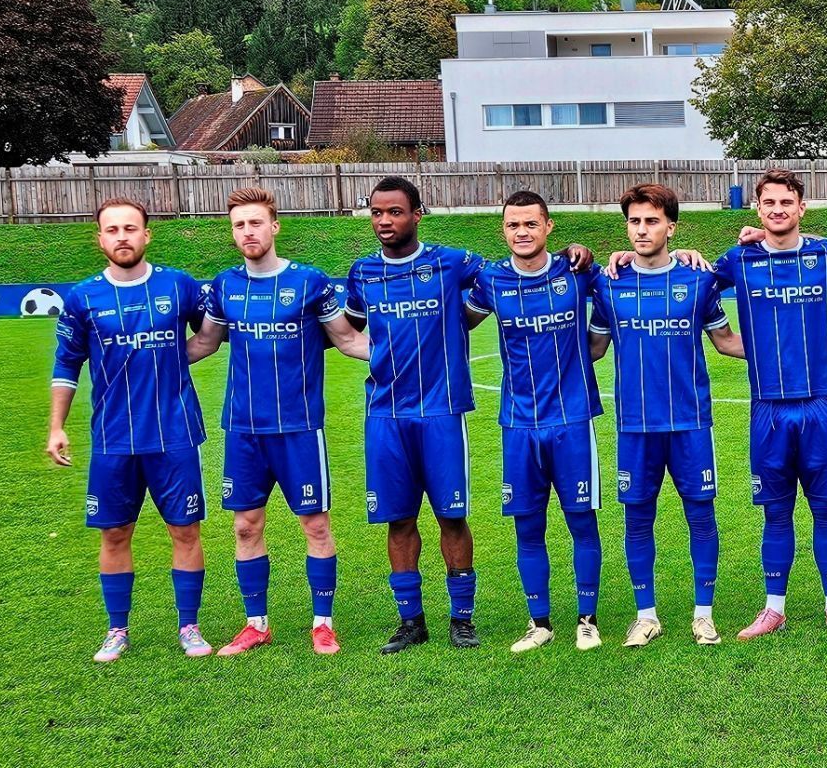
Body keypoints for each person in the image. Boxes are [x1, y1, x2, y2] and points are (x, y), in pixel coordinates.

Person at [344, 177, 596, 654]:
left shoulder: (454, 263)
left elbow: (518, 273)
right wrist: (372, 354)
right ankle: (410, 621)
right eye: (376, 212)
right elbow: (345, 329)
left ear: (418, 213)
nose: (384, 221)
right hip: (385, 412)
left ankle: (462, 618)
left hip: (442, 409)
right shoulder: (361, 273)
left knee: (450, 516)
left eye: (394, 212)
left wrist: (573, 249)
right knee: (398, 520)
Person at [189, 187, 371, 657]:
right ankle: (256, 624)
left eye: (255, 222)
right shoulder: (225, 285)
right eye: (238, 225)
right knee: (246, 527)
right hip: (244, 430)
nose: (247, 231)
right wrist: (148, 358)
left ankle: (323, 623)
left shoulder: (309, 282)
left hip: (299, 427)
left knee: (315, 525)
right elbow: (205, 343)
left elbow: (349, 341)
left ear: (274, 225)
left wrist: (412, 354)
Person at [48, 198, 215, 662]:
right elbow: (67, 364)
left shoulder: (177, 286)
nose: (122, 236)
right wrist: (56, 427)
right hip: (112, 439)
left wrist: (174, 360)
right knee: (115, 534)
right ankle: (117, 630)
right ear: (100, 239)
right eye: (112, 230)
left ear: (147, 235)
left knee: (185, 531)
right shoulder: (83, 298)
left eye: (130, 228)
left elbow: (210, 336)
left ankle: (189, 625)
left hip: (175, 434)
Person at [711, 168, 827, 640]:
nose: (777, 210)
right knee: (775, 512)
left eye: (786, 203)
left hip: (820, 405)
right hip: (768, 409)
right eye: (769, 203)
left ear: (802, 207)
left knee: (826, 508)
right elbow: (683, 284)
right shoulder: (737, 260)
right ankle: (772, 607)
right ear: (757, 208)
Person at [592, 184, 745, 646]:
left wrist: (789, 355)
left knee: (701, 516)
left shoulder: (698, 281)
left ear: (671, 227)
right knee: (637, 519)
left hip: (690, 422)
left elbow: (727, 341)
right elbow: (593, 348)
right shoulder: (608, 283)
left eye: (652, 220)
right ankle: (646, 615)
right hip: (635, 426)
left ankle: (703, 613)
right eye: (635, 221)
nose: (642, 229)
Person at [466, 191, 612, 654]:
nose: (522, 232)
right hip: (518, 423)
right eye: (513, 226)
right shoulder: (491, 281)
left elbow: (615, 285)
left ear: (548, 227)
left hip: (572, 419)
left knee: (581, 522)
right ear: (503, 231)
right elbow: (454, 323)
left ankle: (587, 620)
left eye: (531, 224)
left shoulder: (576, 272)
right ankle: (539, 622)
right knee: (527, 526)